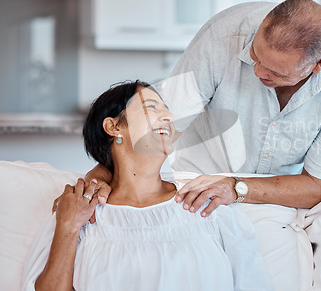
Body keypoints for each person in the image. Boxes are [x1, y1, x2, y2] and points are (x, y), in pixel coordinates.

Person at [83, 0, 321, 218]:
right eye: (255, 55)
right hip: (193, 187)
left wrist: (236, 187)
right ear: (262, 28)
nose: (258, 72)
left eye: (276, 73)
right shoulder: (222, 38)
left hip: (276, 199)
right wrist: (101, 175)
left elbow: (317, 186)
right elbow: (161, 125)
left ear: (318, 65)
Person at [23, 81, 273, 291]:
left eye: (167, 110)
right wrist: (68, 226)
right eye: (150, 108)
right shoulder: (77, 213)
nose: (169, 117)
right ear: (114, 127)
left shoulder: (205, 204)